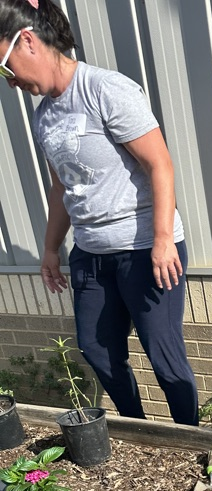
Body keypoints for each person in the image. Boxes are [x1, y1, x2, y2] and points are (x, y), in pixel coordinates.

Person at [0, 0, 199, 425]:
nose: (10, 81)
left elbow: (159, 164)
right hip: (90, 253)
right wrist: (50, 249)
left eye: (4, 67)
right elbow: (61, 188)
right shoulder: (44, 116)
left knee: (164, 354)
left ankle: (191, 438)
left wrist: (163, 240)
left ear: (28, 41)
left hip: (143, 248)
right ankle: (136, 427)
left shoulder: (105, 89)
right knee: (96, 348)